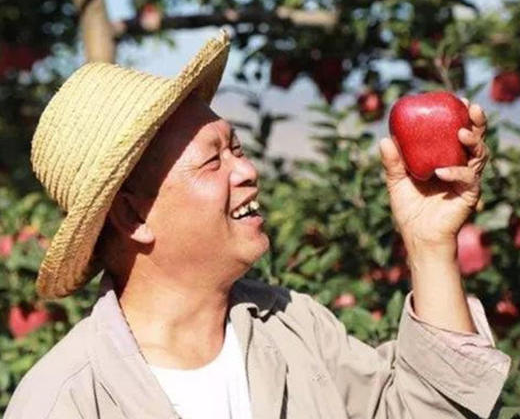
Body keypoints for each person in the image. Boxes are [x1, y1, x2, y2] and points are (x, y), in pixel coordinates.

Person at [6, 31, 510, 419]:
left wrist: (430, 244)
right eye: (212, 161)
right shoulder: (67, 402)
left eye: (238, 148)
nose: (247, 171)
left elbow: (431, 409)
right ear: (134, 215)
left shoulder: (296, 329)